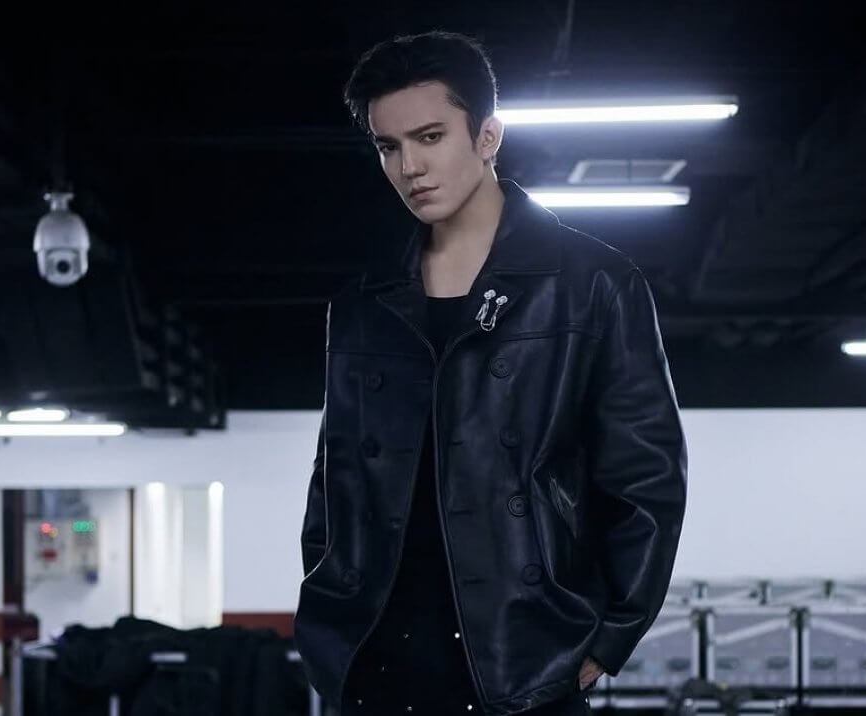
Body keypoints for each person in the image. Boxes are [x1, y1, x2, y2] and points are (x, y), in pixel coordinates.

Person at [294, 30, 687, 716]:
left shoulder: (593, 285)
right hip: (379, 661)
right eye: (388, 146)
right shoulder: (363, 302)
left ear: (487, 137)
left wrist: (614, 634)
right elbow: (337, 479)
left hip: (526, 655)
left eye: (430, 137)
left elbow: (646, 477)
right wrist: (332, 606)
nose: (410, 166)